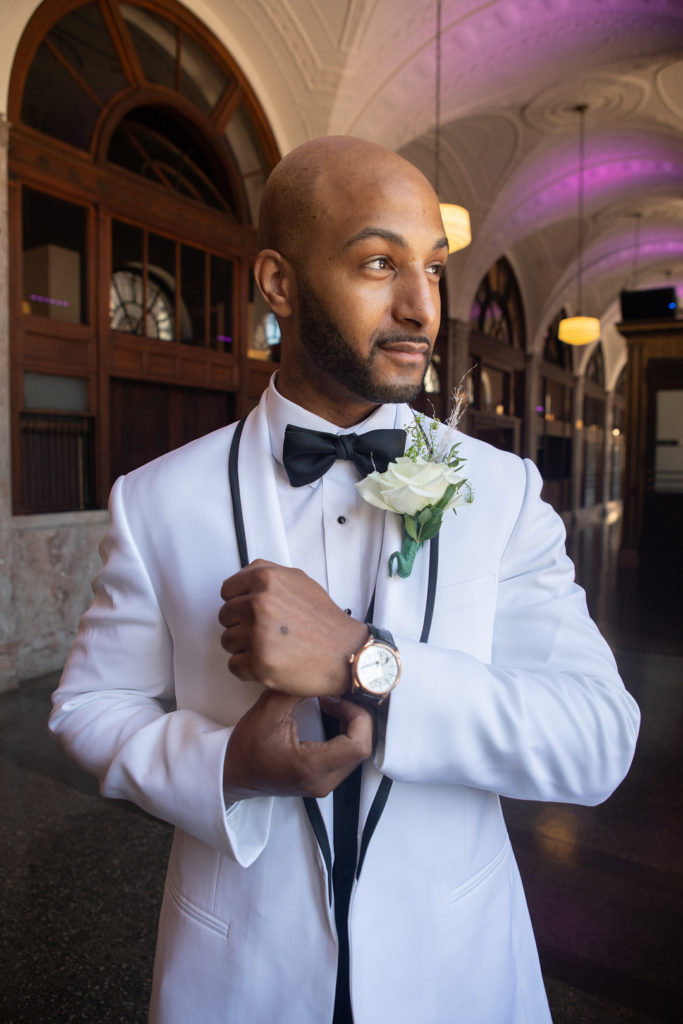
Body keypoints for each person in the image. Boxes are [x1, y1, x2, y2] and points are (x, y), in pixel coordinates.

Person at [49, 136, 640, 1024]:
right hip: (236, 978)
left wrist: (367, 660)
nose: (420, 307)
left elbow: (596, 739)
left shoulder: (500, 490)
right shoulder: (155, 500)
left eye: (433, 270)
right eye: (377, 262)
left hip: (457, 972)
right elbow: (88, 709)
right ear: (279, 284)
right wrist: (224, 768)